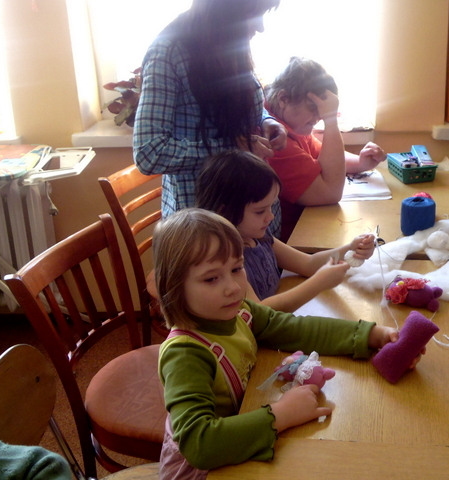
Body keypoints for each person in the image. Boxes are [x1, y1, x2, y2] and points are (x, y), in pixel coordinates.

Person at [153, 208, 423, 479]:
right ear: (174, 287)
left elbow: (293, 329)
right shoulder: (185, 354)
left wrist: (370, 335)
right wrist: (280, 414)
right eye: (211, 278)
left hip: (245, 433)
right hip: (202, 470)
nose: (233, 287)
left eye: (236, 269)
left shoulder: (240, 311)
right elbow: (200, 444)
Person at [133, 0, 287, 236]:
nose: (260, 27)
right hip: (204, 232)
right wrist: (231, 147)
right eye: (253, 14)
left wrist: (266, 120)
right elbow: (149, 153)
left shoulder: (228, 43)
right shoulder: (167, 53)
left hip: (252, 222)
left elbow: (238, 108)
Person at [196, 150, 376, 312]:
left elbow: (308, 264)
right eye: (260, 211)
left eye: (270, 207)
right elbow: (258, 313)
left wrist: (350, 248)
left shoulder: (260, 238)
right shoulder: (226, 260)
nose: (270, 216)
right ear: (224, 211)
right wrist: (318, 283)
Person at [263, 57, 387, 240]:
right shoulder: (276, 140)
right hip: (292, 242)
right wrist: (330, 119)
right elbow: (330, 193)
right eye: (313, 107)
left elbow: (325, 158)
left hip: (305, 228)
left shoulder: (291, 123)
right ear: (283, 99)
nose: (319, 115)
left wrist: (360, 162)